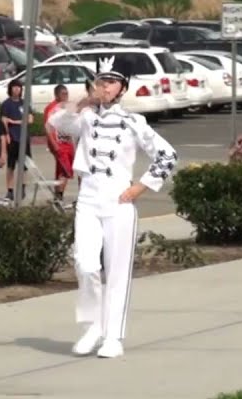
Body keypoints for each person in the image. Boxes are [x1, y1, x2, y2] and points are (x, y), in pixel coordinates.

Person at [46, 56, 178, 360]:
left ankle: (113, 336)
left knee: (117, 273)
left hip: (118, 201)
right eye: (101, 81)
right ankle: (93, 326)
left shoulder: (133, 122)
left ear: (123, 88)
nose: (105, 87)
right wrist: (85, 101)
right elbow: (56, 122)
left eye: (111, 82)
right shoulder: (86, 117)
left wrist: (139, 187)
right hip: (88, 199)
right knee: (85, 264)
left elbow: (168, 156)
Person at [0, 78, 33, 202]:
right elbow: (4, 120)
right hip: (13, 138)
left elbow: (30, 119)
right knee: (11, 166)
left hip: (24, 138)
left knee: (24, 166)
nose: (16, 89)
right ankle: (10, 190)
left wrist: (14, 121)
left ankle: (23, 188)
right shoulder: (6, 104)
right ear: (10, 89)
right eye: (14, 87)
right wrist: (7, 135)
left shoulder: (24, 103)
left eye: (19, 87)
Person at [43, 84, 76, 203]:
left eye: (67, 93)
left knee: (64, 170)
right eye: (63, 94)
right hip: (58, 142)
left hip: (67, 142)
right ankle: (59, 196)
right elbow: (48, 127)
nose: (66, 96)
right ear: (56, 95)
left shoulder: (68, 106)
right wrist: (54, 144)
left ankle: (58, 195)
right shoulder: (51, 108)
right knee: (65, 169)